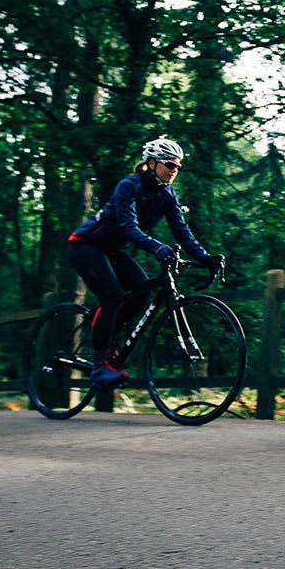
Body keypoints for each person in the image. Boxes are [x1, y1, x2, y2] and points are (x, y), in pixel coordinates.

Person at [67, 137, 221, 390]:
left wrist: (205, 257)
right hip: (85, 246)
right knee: (112, 295)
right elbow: (129, 228)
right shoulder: (129, 186)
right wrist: (158, 247)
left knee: (142, 290)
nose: (174, 170)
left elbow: (182, 232)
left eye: (177, 167)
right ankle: (100, 365)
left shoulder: (167, 195)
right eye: (169, 164)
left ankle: (106, 335)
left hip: (112, 251)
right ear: (151, 163)